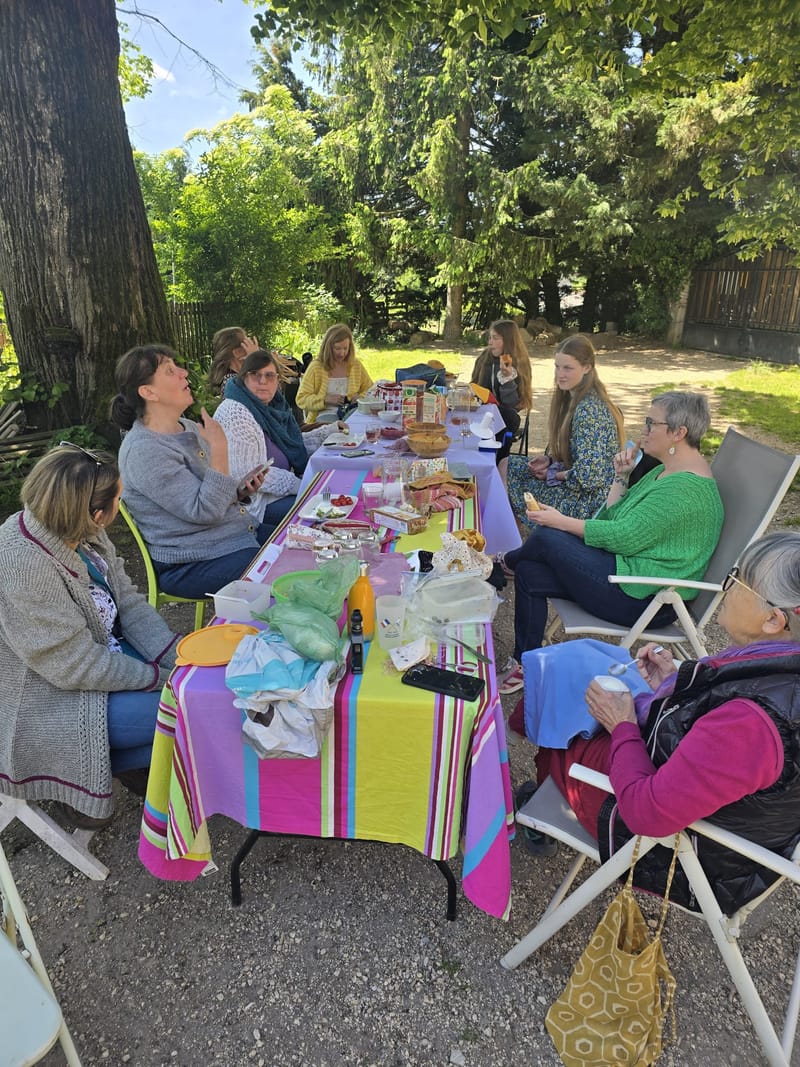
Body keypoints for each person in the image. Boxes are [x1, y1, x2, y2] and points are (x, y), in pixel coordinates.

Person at [522, 532, 800, 914]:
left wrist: (621, 724)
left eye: (737, 580)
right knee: (579, 675)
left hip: (679, 853)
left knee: (566, 718)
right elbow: (720, 743)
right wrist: (672, 686)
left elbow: (646, 814)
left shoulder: (753, 724)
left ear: (773, 620)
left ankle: (541, 790)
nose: (726, 586)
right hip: (711, 817)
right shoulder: (779, 672)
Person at [0, 444, 180, 829]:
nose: (121, 505)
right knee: (184, 712)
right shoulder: (22, 564)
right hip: (47, 702)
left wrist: (176, 656)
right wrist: (159, 677)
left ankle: (137, 769)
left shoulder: (81, 530)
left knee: (191, 693)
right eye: (119, 500)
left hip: (97, 664)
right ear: (96, 513)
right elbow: (75, 666)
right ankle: (85, 779)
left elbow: (128, 602)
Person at [498, 391, 724, 694]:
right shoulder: (665, 471)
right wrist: (621, 477)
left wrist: (560, 521)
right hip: (628, 576)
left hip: (646, 597)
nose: (643, 430)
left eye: (651, 423)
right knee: (529, 573)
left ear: (678, 433)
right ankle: (527, 662)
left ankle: (501, 565)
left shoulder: (684, 490)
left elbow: (622, 538)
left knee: (548, 536)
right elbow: (613, 520)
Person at [112, 344, 273, 601]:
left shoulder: (187, 426)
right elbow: (204, 511)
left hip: (234, 537)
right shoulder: (144, 451)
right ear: (148, 392)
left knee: (303, 544)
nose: (184, 373)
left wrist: (238, 492)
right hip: (191, 563)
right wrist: (219, 449)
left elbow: (208, 494)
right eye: (170, 371)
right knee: (282, 570)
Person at [214, 350, 345, 526]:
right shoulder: (235, 414)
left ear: (277, 380)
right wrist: (304, 485)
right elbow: (250, 475)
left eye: (269, 376)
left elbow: (291, 444)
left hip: (280, 493)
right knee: (329, 508)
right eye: (255, 375)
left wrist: (329, 432)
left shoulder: (272, 406)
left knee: (338, 486)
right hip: (256, 505)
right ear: (244, 379)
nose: (263, 381)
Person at [507, 335, 624, 528]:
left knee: (507, 473)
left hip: (585, 504)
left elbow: (589, 476)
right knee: (508, 464)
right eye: (557, 367)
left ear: (587, 368)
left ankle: (514, 541)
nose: (560, 374)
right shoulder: (575, 398)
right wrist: (550, 460)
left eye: (568, 368)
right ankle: (515, 539)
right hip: (579, 488)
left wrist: (553, 473)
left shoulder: (589, 411)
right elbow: (579, 456)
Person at [471, 319, 533, 482]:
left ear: (508, 340)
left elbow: (515, 404)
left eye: (496, 338)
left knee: (510, 417)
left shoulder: (520, 362)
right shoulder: (484, 358)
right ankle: (476, 466)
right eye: (490, 338)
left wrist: (507, 380)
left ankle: (497, 467)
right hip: (482, 412)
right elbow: (475, 386)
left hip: (505, 417)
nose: (490, 342)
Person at [296, 323, 373, 424]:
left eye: (345, 348)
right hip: (325, 414)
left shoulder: (355, 365)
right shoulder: (316, 367)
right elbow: (301, 399)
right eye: (337, 348)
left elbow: (371, 389)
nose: (342, 353)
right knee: (336, 429)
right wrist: (324, 400)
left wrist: (360, 397)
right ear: (328, 347)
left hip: (352, 412)